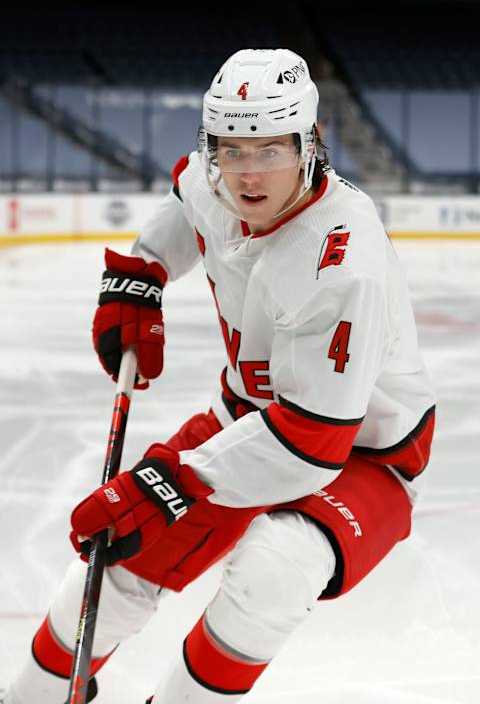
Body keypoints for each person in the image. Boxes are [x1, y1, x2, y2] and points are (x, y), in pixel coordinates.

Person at [2, 48, 436, 704]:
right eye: (231, 149)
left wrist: (169, 482)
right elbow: (181, 210)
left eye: (270, 149)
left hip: (364, 454)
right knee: (114, 561)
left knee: (274, 571)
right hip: (245, 416)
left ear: (311, 143)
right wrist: (139, 278)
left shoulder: (345, 262)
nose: (248, 172)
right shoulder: (210, 182)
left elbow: (313, 438)